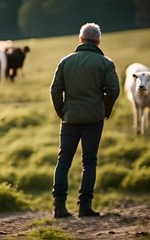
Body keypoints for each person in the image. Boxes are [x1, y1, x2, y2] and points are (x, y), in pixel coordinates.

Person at [50, 23, 120, 218]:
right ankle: (84, 207)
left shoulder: (65, 62)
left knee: (63, 161)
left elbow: (55, 90)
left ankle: (59, 208)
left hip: (70, 119)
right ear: (98, 41)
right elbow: (113, 90)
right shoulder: (105, 63)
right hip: (93, 120)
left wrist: (62, 112)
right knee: (89, 162)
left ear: (80, 39)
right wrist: (104, 110)